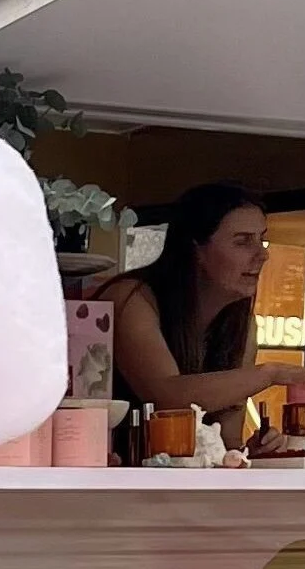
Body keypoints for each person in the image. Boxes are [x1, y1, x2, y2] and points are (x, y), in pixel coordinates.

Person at [109, 184, 271, 451]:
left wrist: (252, 452)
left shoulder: (242, 324)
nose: (262, 255)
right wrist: (269, 374)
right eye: (243, 241)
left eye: (261, 240)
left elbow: (228, 441)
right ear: (196, 248)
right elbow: (167, 399)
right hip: (110, 480)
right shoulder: (131, 298)